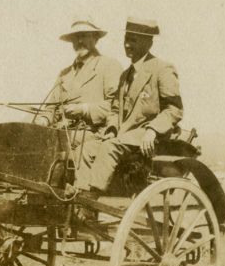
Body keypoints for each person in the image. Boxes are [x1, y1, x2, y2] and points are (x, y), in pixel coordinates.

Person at [74, 18, 183, 196]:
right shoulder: (126, 75)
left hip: (149, 138)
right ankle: (80, 198)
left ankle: (90, 199)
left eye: (133, 40)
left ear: (149, 42)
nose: (127, 44)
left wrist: (152, 130)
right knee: (84, 150)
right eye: (126, 39)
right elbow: (115, 109)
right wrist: (111, 128)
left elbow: (174, 109)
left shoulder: (162, 69)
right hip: (123, 138)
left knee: (109, 148)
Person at [42, 20, 125, 133]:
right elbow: (51, 108)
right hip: (61, 133)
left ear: (95, 39)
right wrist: (44, 119)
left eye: (84, 36)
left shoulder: (110, 66)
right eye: (76, 37)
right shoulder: (64, 74)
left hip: (94, 135)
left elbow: (116, 108)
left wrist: (84, 109)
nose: (80, 41)